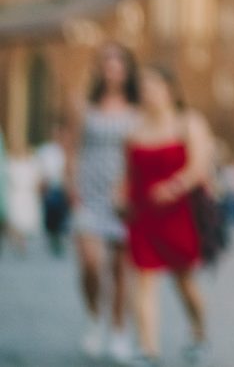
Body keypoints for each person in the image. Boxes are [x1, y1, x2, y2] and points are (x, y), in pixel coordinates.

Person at [124, 64, 212, 366]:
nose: (148, 93)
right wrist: (119, 196)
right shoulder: (134, 127)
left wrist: (173, 187)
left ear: (169, 89)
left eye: (154, 86)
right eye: (144, 87)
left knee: (183, 281)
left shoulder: (189, 122)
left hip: (178, 213)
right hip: (143, 213)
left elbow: (199, 166)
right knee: (144, 279)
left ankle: (199, 331)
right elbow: (127, 171)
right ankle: (148, 349)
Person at [67, 41, 140, 363]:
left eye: (118, 62)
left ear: (127, 69)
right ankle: (94, 316)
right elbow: (72, 148)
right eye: (107, 62)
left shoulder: (138, 109)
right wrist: (71, 187)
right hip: (89, 191)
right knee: (90, 264)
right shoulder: (85, 105)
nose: (112, 68)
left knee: (121, 270)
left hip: (123, 195)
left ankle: (119, 329)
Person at [4, 129, 42, 255]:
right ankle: (19, 240)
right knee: (17, 218)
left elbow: (36, 179)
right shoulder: (11, 162)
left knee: (24, 219)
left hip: (26, 194)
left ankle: (22, 240)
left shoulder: (31, 161)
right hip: (17, 194)